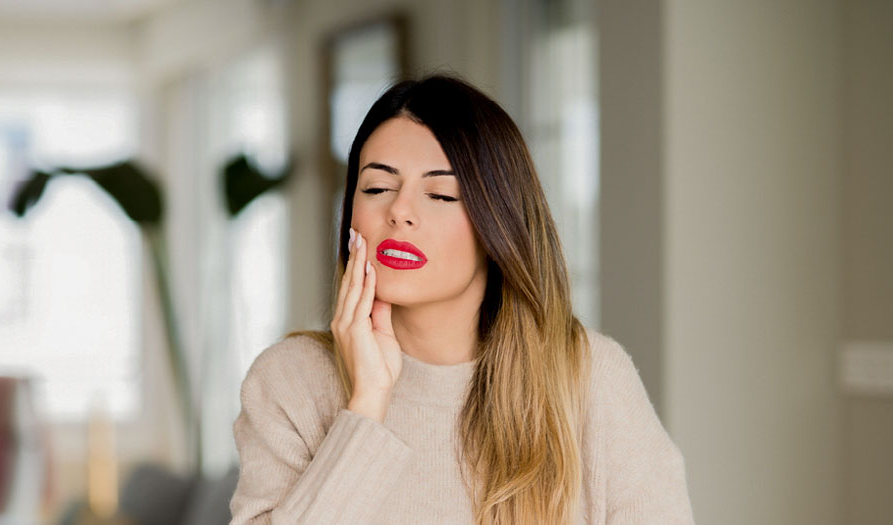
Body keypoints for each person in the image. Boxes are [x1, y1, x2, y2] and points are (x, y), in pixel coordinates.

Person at [228, 74, 694, 524]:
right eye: (376, 188)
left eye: (440, 193)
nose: (400, 212)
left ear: (498, 225)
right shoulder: (289, 382)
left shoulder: (590, 379)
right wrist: (366, 407)